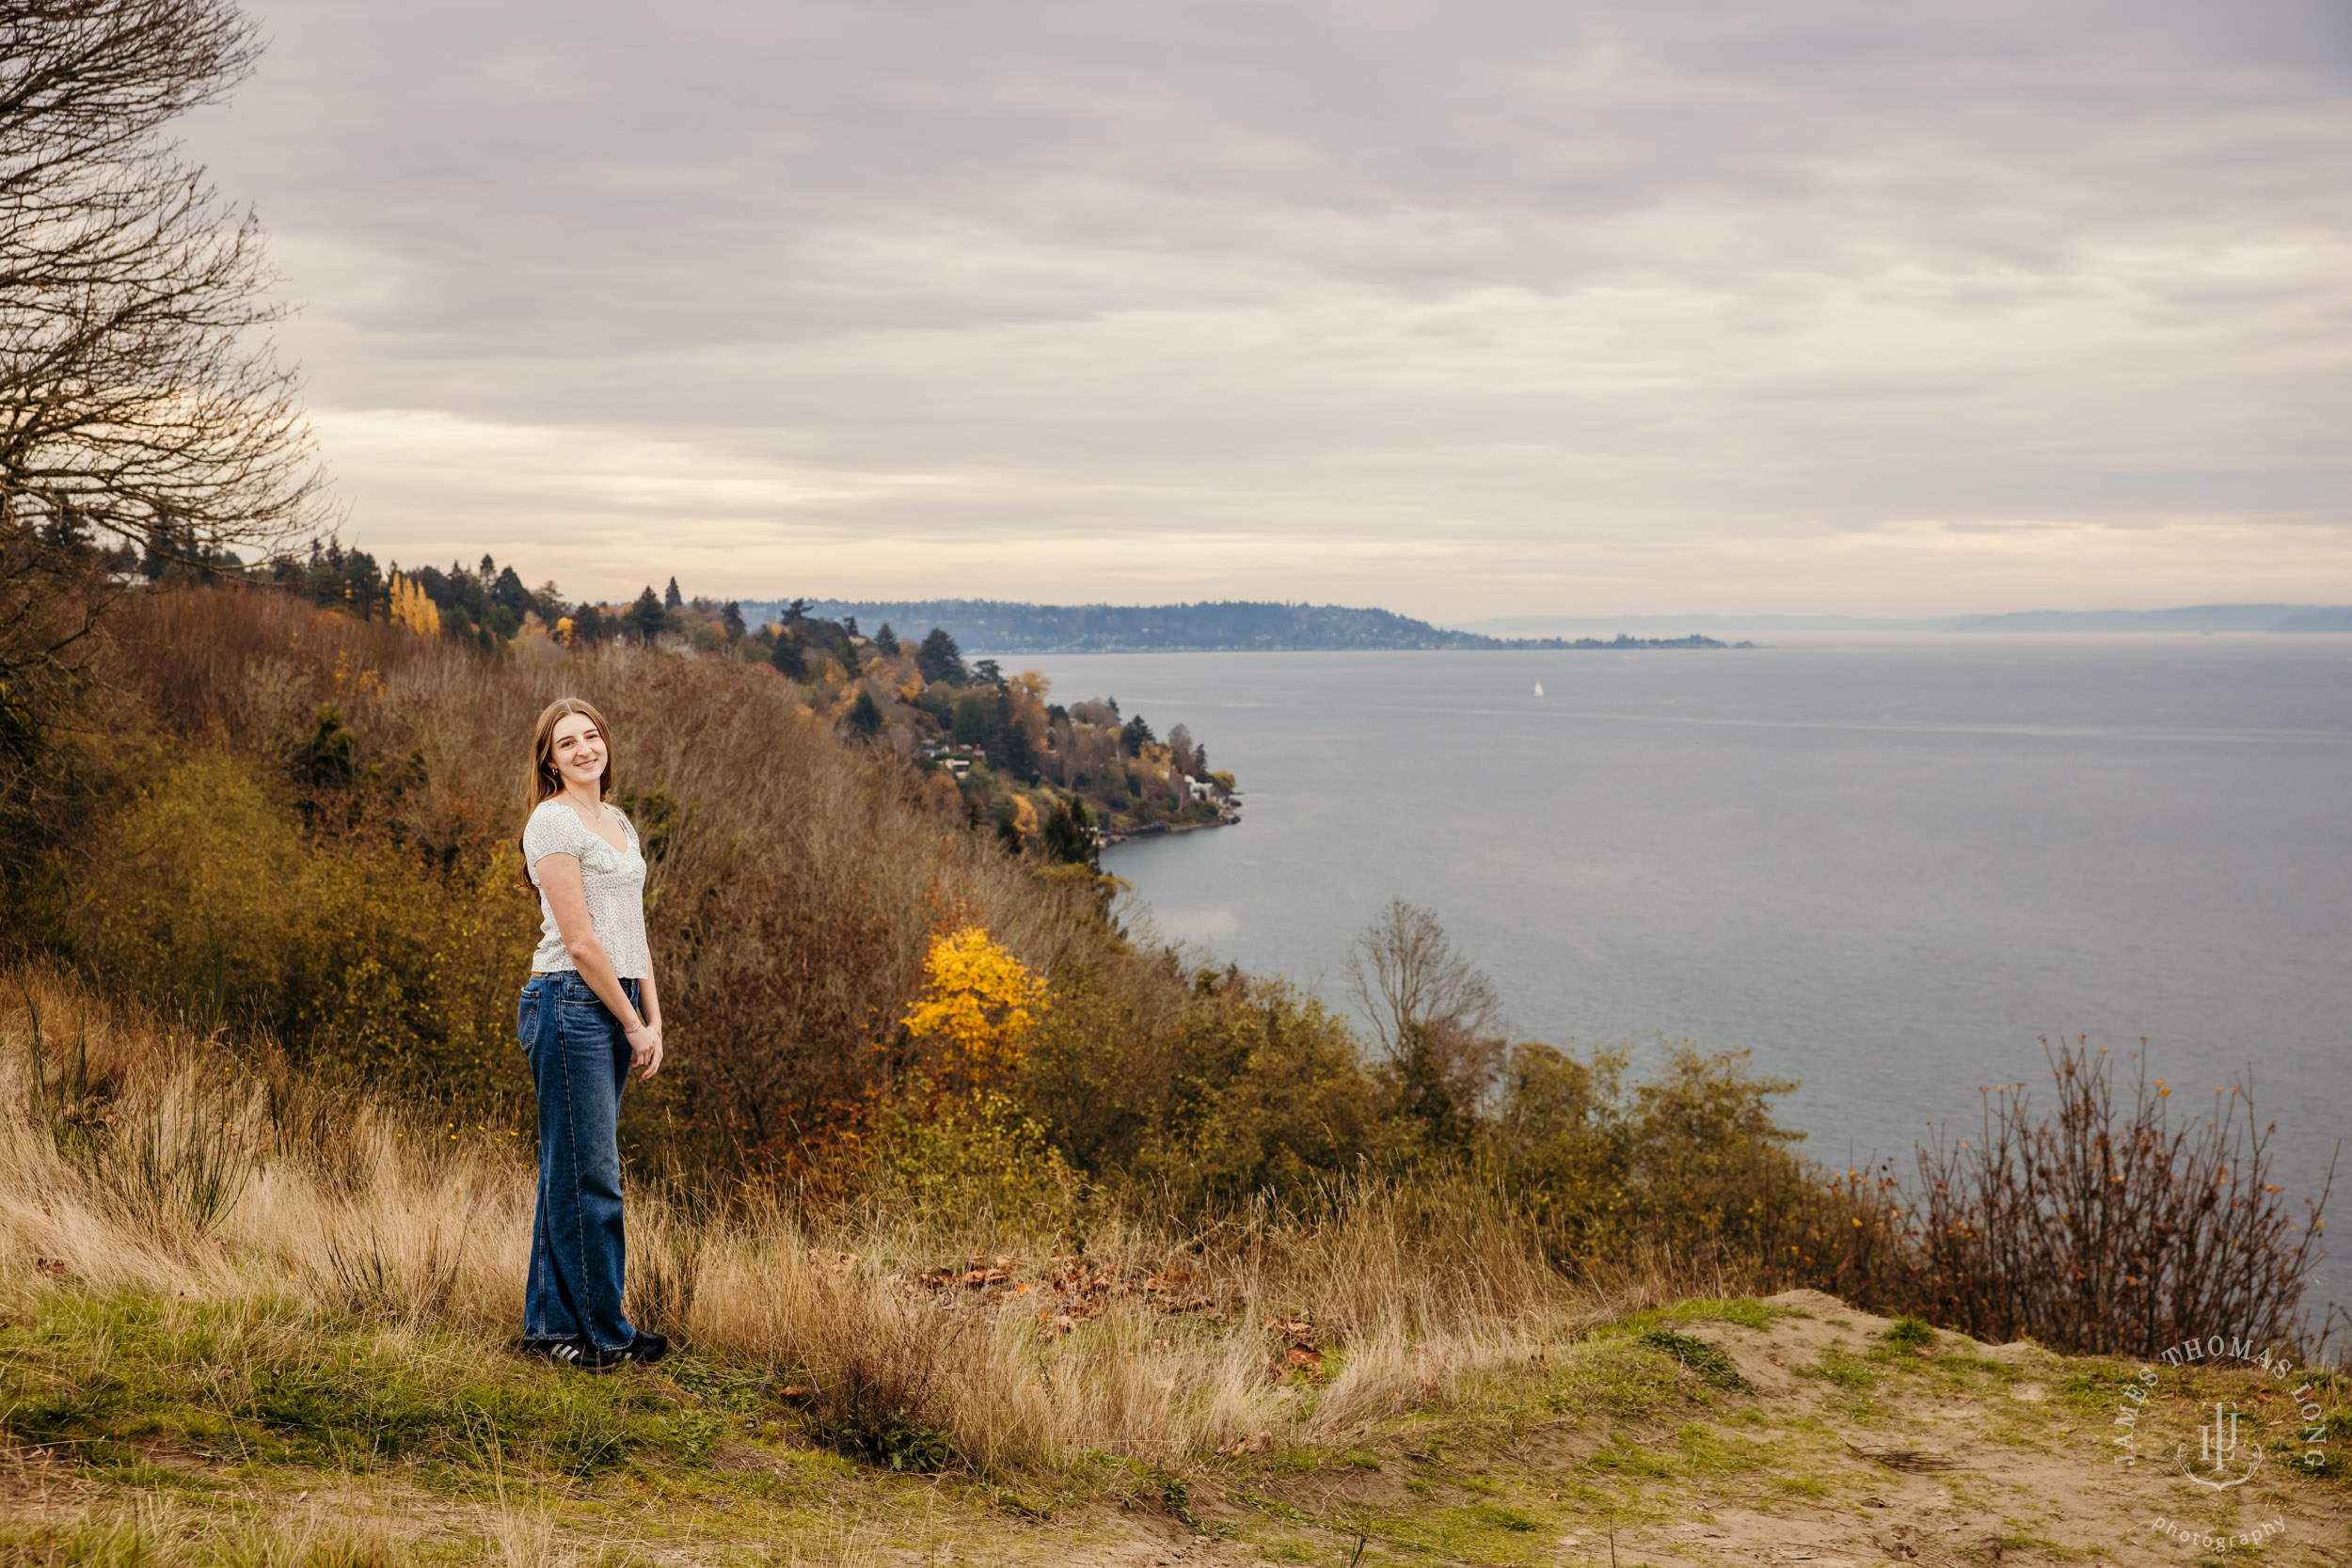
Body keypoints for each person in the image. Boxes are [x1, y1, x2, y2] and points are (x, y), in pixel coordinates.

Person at [513, 696, 670, 1371]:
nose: (584, 749)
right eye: (566, 742)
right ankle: (607, 1333)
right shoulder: (551, 822)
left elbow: (630, 929)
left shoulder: (618, 820)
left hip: (618, 997)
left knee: (569, 1170)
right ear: (549, 758)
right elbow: (580, 941)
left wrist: (652, 1012)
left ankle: (550, 1327)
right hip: (571, 1001)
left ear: (607, 742)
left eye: (592, 735)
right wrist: (630, 1023)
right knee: (595, 1178)